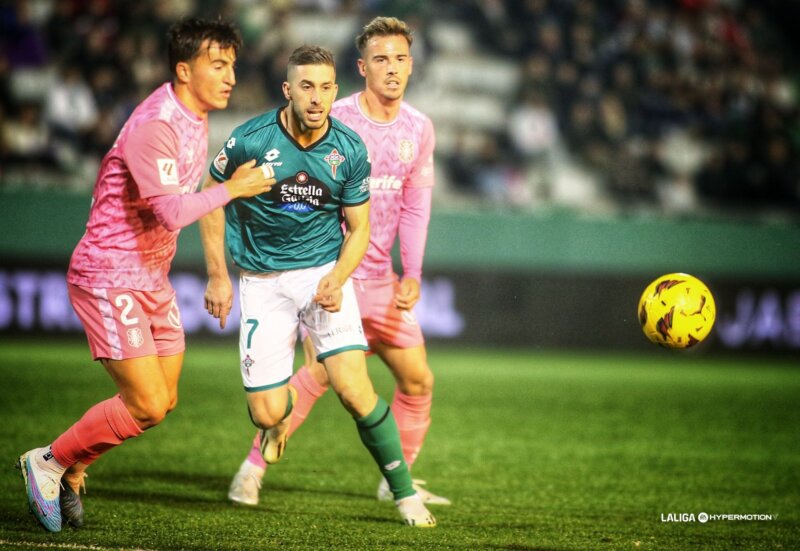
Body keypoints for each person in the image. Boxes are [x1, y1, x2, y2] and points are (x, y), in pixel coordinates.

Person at [16, 18, 274, 533]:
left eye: (232, 65)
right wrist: (235, 189)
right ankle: (46, 462)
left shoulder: (195, 116)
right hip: (109, 274)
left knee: (164, 401)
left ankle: (72, 465)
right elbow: (171, 213)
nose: (230, 76)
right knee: (147, 401)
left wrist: (217, 271)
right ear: (183, 69)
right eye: (217, 65)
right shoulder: (156, 123)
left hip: (151, 278)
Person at [199, 43, 436, 528]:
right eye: (306, 86)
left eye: (326, 88)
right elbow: (211, 194)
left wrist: (337, 277)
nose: (317, 98)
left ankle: (405, 494)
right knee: (267, 412)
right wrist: (218, 275)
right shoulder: (250, 139)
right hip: (262, 282)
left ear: (335, 91)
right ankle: (276, 423)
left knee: (354, 388)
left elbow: (361, 229)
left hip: (322, 276)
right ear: (288, 90)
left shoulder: (347, 149)